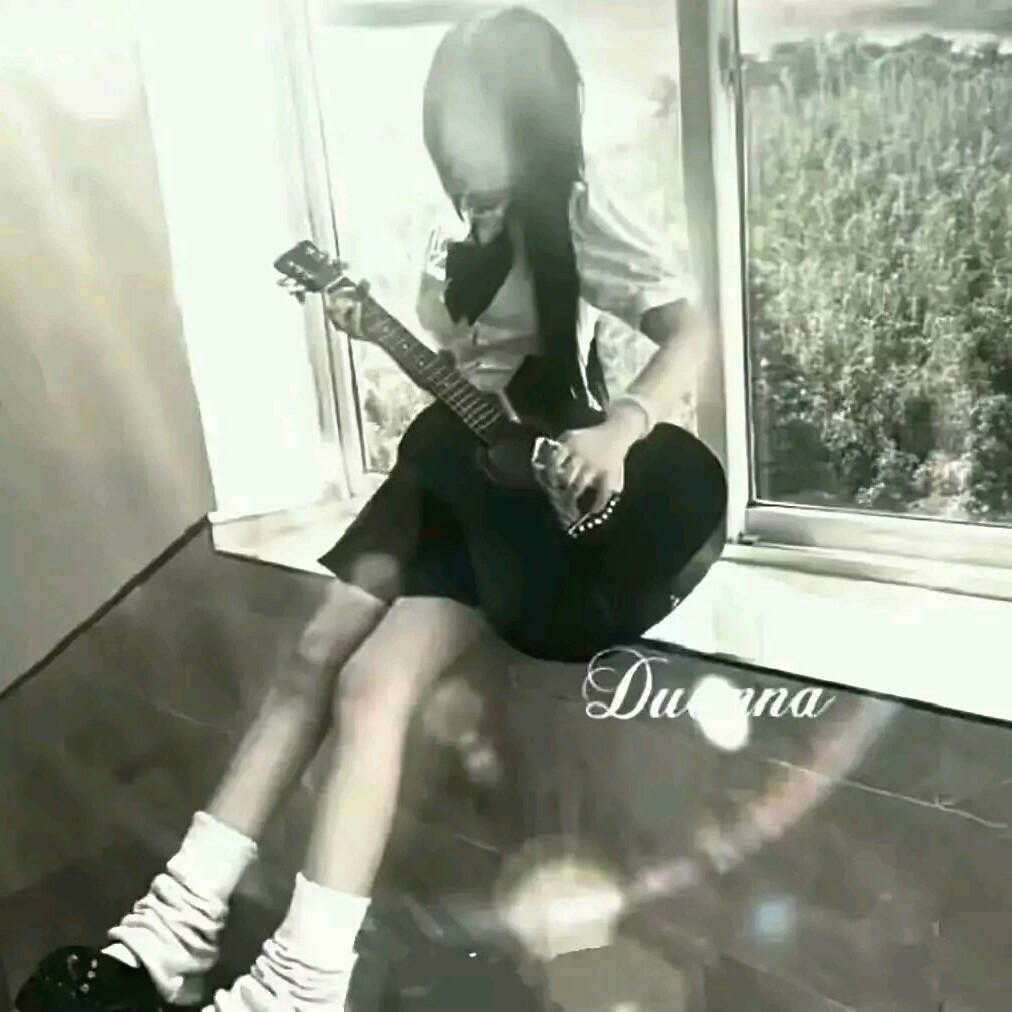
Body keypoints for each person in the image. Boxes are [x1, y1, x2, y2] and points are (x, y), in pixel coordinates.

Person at [15, 7, 720, 1011]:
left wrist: (620, 431)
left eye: (482, 121)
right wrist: (371, 326)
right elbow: (465, 368)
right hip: (442, 470)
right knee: (310, 658)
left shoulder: (570, 214)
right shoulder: (455, 235)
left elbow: (691, 329)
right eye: (449, 125)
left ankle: (302, 983)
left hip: (519, 507)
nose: (462, 147)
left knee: (373, 685)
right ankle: (166, 936)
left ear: (532, 119)